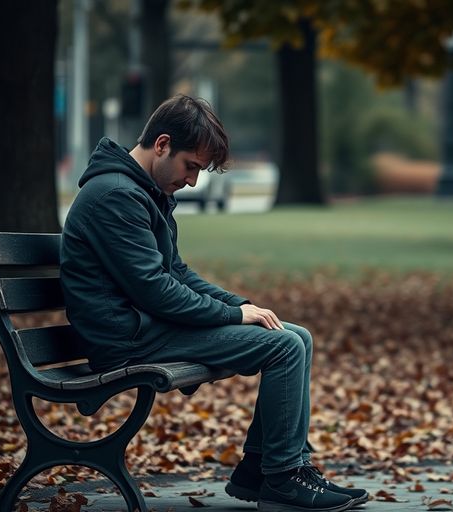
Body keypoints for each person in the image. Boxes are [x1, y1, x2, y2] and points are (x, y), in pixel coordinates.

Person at [60, 95, 368, 512]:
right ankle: (283, 478)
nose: (191, 181)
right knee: (284, 347)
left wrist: (244, 306)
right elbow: (154, 289)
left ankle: (259, 470)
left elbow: (177, 273)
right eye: (191, 166)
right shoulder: (116, 195)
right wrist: (234, 315)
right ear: (162, 144)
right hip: (127, 338)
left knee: (296, 335)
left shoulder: (140, 190)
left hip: (144, 326)